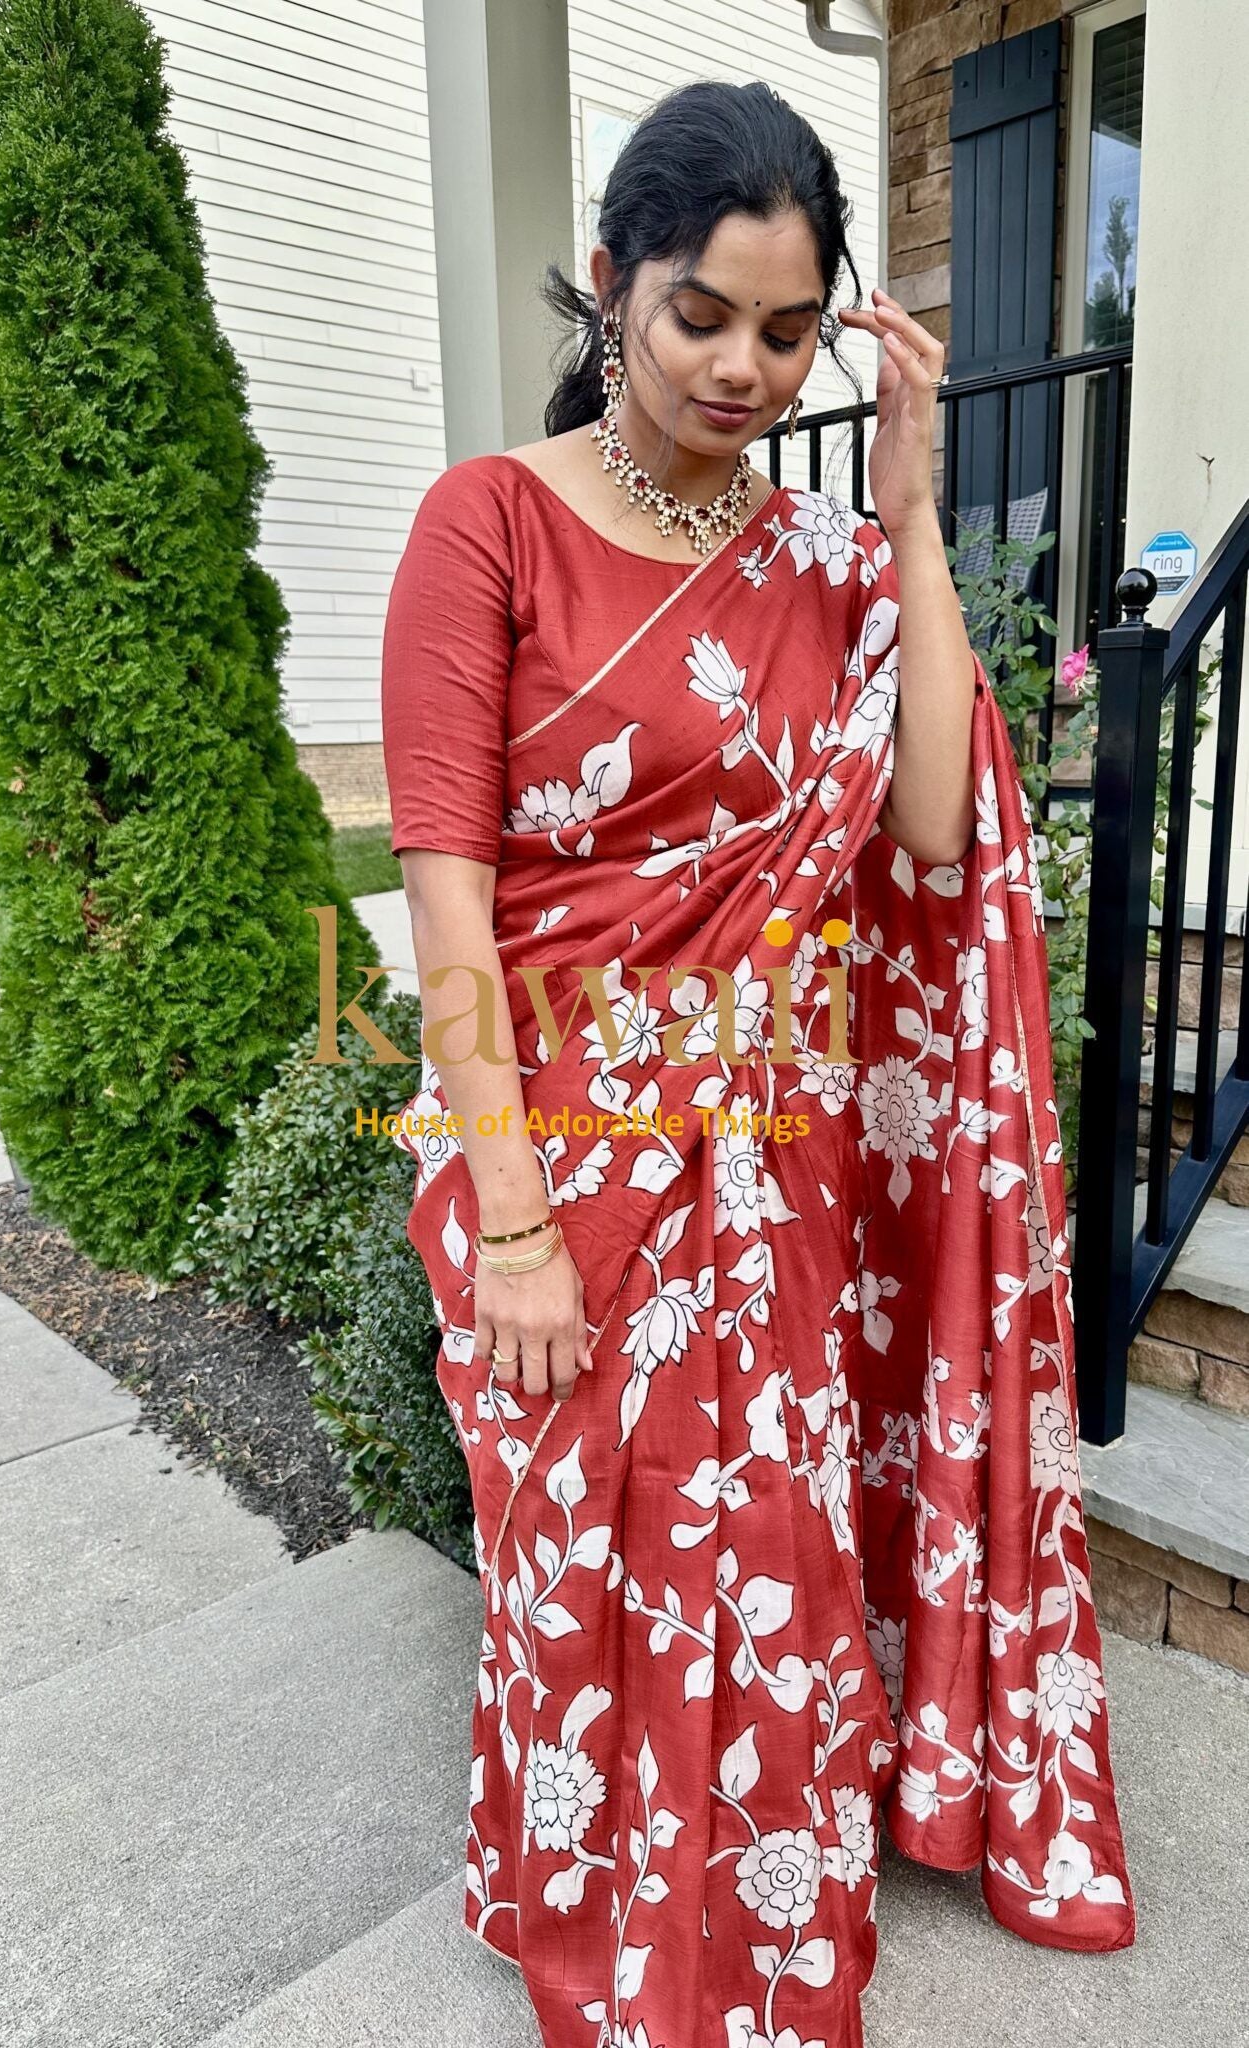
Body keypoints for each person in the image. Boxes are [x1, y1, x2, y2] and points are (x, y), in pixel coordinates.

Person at [379, 76, 1136, 2048]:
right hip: (557, 1148)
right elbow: (447, 896)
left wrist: (907, 511)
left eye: (788, 331)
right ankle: (602, 1912)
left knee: (759, 1550)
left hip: (761, 1144)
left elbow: (933, 824)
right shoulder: (488, 524)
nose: (741, 367)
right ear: (612, 282)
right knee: (581, 1554)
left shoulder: (820, 559)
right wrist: (517, 1224)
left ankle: (761, 1916)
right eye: (699, 315)